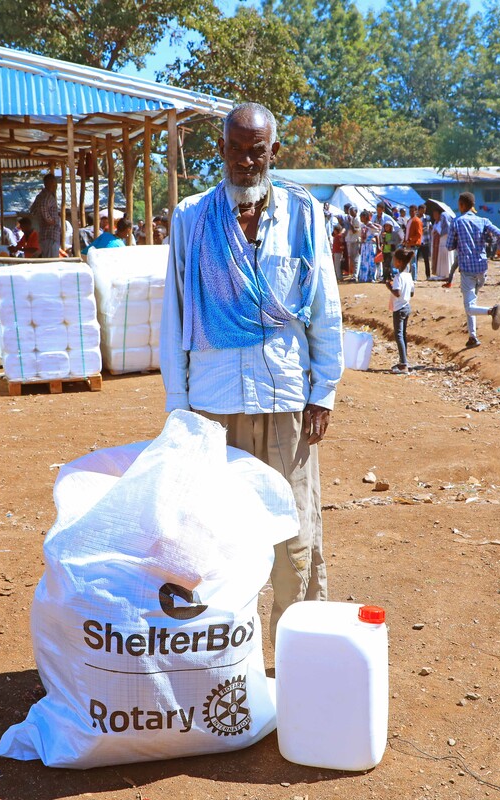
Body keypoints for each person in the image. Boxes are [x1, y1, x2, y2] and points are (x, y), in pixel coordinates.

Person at [161, 102, 343, 641]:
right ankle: (224, 664)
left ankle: (298, 658)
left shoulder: (305, 217)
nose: (246, 162)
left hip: (287, 399)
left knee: (296, 537)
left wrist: (324, 391)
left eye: (256, 151)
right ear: (220, 152)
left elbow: (325, 307)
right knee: (215, 541)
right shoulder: (192, 219)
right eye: (236, 151)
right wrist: (179, 405)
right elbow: (174, 314)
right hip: (214, 406)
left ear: (274, 153)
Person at [444, 192, 500, 349]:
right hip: (482, 268)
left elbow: (449, 246)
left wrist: (459, 242)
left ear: (462, 205)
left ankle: (492, 311)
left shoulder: (457, 222)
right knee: (472, 301)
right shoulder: (482, 220)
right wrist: (499, 250)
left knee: (469, 306)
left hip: (467, 268)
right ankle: (472, 336)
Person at [386, 247, 415, 373]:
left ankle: (403, 364)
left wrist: (389, 286)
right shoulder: (408, 276)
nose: (393, 261)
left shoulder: (398, 277)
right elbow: (412, 293)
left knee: (398, 335)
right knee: (403, 335)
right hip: (407, 306)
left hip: (399, 308)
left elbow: (397, 293)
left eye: (394, 259)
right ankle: (403, 360)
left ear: (399, 262)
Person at [29, 172, 62, 258]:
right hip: (50, 234)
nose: (56, 186)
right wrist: (50, 221)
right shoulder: (47, 196)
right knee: (51, 260)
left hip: (45, 234)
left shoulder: (40, 196)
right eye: (54, 183)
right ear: (49, 183)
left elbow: (33, 210)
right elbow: (42, 207)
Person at [429, 203, 453, 280]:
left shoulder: (446, 226)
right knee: (440, 259)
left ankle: (446, 274)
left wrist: (437, 231)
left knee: (445, 259)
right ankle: (440, 273)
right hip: (438, 244)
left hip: (444, 243)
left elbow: (440, 232)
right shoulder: (436, 223)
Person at [406, 204, 428, 279]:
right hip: (408, 244)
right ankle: (410, 277)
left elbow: (419, 234)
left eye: (412, 211)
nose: (411, 212)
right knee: (409, 262)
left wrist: (410, 240)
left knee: (413, 262)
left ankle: (414, 278)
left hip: (414, 244)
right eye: (410, 211)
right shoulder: (409, 220)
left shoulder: (417, 221)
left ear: (416, 211)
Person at [357, 209, 379, 283]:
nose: (360, 218)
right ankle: (363, 277)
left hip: (370, 246)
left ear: (365, 217)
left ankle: (371, 277)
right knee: (364, 261)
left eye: (361, 217)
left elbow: (376, 235)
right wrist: (360, 247)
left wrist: (378, 246)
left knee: (371, 262)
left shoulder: (371, 225)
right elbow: (361, 237)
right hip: (364, 245)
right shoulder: (363, 226)